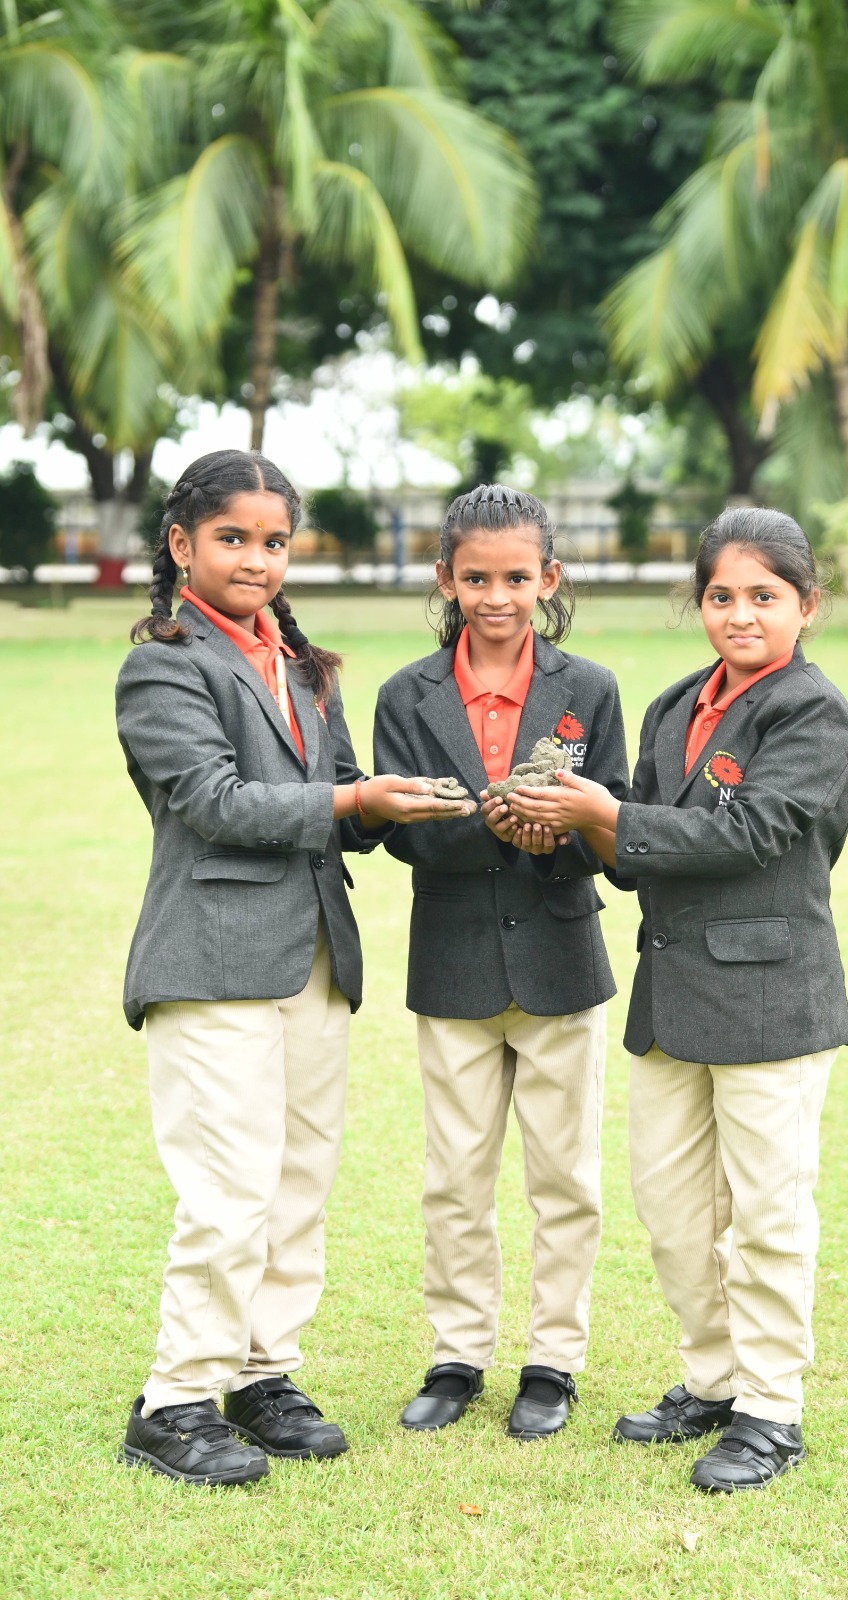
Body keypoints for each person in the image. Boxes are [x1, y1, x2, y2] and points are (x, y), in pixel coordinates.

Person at [115, 449, 469, 1486]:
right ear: (181, 545)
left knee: (297, 1181)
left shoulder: (306, 667)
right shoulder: (164, 666)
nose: (256, 560)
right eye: (232, 538)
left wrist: (410, 802)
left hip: (314, 954)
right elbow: (214, 803)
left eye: (274, 542)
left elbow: (342, 799)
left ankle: (262, 1374)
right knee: (228, 1189)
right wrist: (355, 801)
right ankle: (176, 1398)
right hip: (211, 957)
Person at [506, 507, 848, 1491]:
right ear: (697, 601)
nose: (740, 614)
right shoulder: (674, 707)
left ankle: (771, 1408)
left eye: (764, 596)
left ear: (807, 605)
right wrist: (563, 822)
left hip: (773, 1002)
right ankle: (712, 1380)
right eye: (721, 595)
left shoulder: (815, 715)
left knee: (767, 1217)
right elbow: (634, 856)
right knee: (671, 1212)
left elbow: (751, 835)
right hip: (671, 999)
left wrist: (608, 812)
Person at [373, 484, 629, 1440]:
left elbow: (613, 817)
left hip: (561, 958)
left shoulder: (589, 689)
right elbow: (400, 829)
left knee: (566, 1178)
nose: (496, 596)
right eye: (476, 578)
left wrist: (554, 835)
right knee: (455, 1176)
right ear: (446, 579)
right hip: (452, 966)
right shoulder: (406, 694)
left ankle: (553, 1361)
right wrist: (491, 822)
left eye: (516, 578)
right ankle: (458, 1354)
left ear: (547, 579)